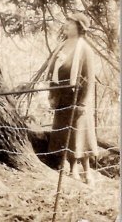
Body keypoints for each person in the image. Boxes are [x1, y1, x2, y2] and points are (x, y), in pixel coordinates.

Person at [46, 12, 99, 185]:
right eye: (66, 23)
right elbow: (52, 72)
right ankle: (71, 167)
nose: (66, 26)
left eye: (70, 23)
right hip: (62, 97)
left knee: (80, 133)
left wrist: (83, 102)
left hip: (78, 97)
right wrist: (52, 94)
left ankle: (87, 170)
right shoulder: (61, 46)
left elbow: (90, 79)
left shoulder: (85, 49)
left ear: (79, 28)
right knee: (64, 132)